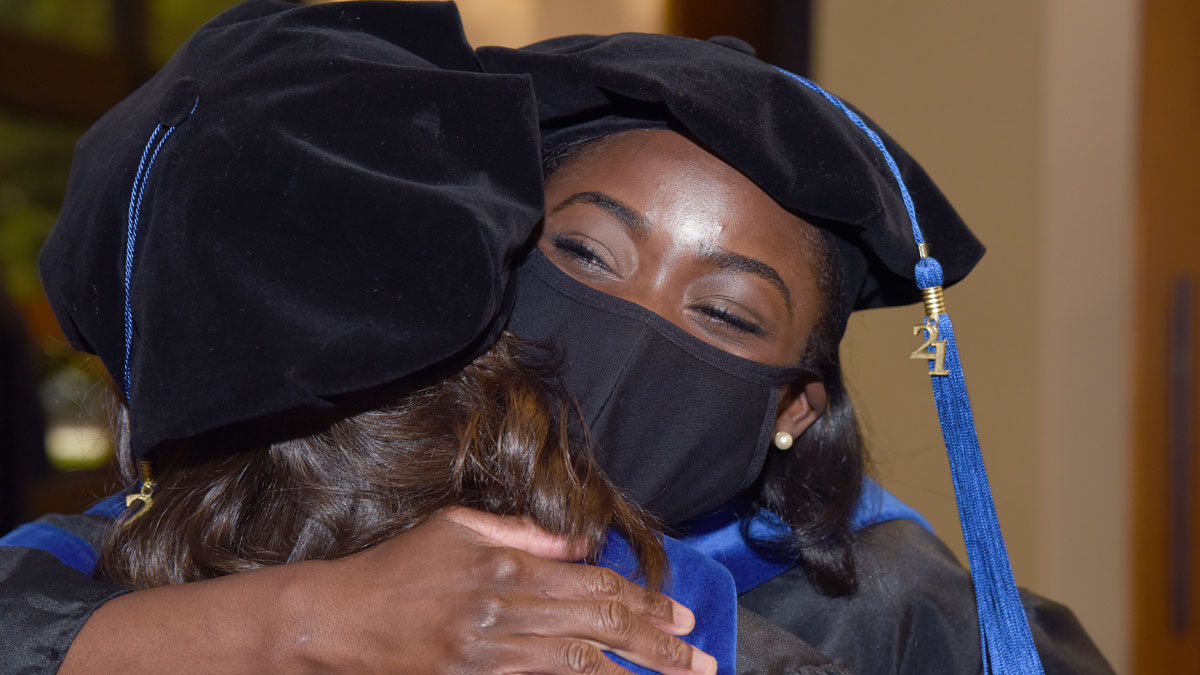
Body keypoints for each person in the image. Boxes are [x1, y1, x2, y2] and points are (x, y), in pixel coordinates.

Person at [0, 1, 1113, 673]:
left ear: (792, 411)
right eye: (584, 258)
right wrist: (304, 623)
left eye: (724, 314)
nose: (633, 330)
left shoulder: (893, 611)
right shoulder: (294, 498)